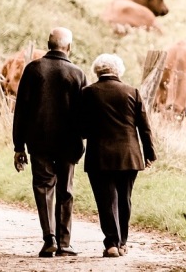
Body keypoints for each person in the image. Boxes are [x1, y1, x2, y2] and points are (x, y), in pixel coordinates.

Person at [12, 27, 88, 258]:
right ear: (69, 47)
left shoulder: (34, 69)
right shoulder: (77, 73)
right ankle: (65, 243)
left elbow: (21, 111)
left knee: (44, 188)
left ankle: (49, 239)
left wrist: (18, 146)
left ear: (48, 44)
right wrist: (82, 138)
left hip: (39, 141)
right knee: (65, 190)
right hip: (68, 143)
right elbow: (84, 113)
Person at [80, 53, 157, 258]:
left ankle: (111, 243)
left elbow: (82, 128)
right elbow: (145, 128)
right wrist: (149, 153)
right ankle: (122, 242)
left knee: (106, 200)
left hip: (99, 156)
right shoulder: (132, 92)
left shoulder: (87, 93)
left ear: (97, 70)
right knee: (125, 198)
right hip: (129, 155)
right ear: (118, 70)